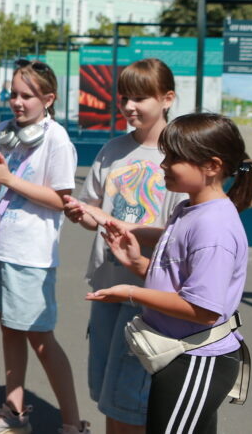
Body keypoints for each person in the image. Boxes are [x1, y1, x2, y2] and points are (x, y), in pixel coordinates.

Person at [89, 113, 252, 434]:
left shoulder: (213, 226)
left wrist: (130, 292)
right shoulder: (190, 208)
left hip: (196, 359)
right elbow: (181, 281)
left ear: (212, 166)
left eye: (175, 157)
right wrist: (138, 265)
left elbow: (204, 309)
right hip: (180, 356)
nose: (164, 164)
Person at [62, 58, 184, 434]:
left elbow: (179, 231)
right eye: (124, 98)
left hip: (148, 290)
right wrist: (78, 213)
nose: (129, 106)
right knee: (104, 386)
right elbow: (93, 209)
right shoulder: (112, 149)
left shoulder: (179, 157)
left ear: (167, 98)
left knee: (132, 395)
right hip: (106, 284)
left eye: (140, 98)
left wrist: (122, 226)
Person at [0, 59, 89, 434]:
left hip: (31, 255)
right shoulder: (4, 131)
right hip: (1, 246)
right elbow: (0, 186)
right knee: (9, 329)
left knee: (41, 339)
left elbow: (62, 200)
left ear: (49, 99)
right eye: (13, 94)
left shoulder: (57, 140)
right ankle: (14, 412)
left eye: (28, 96)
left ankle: (72, 423)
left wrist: (8, 177)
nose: (18, 102)